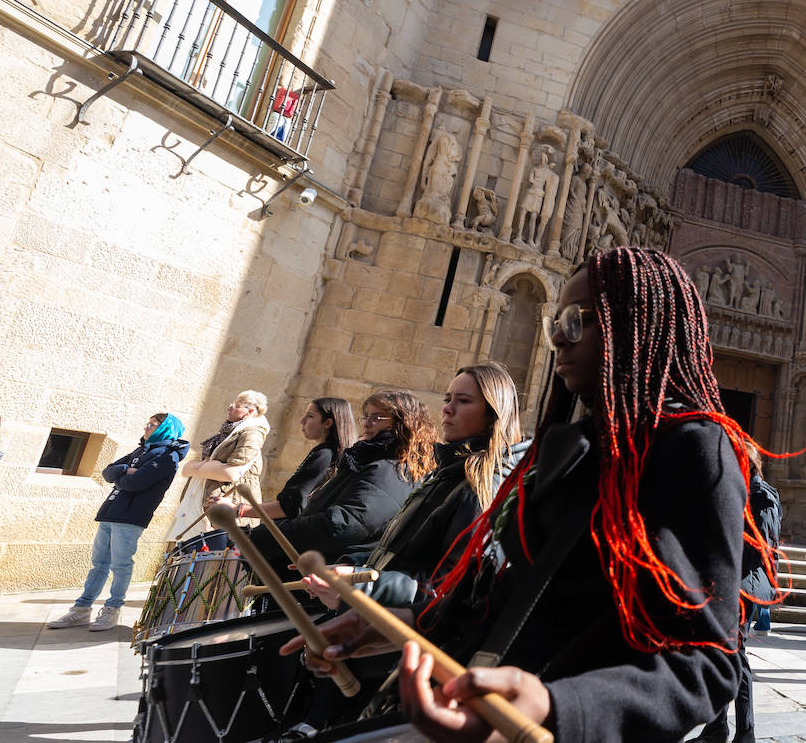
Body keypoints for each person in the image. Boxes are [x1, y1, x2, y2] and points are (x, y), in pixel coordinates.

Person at [286, 247, 768, 741]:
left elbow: (705, 665)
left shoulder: (691, 447)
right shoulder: (570, 448)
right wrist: (407, 624)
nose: (558, 336)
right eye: (556, 320)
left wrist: (555, 706)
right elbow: (516, 599)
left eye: (579, 320)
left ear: (639, 325)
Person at [301, 362, 529, 611]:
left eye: (463, 401)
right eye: (447, 398)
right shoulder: (448, 472)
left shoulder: (483, 485)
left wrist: (361, 587)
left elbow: (451, 587)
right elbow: (401, 556)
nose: (447, 409)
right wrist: (351, 569)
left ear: (493, 413)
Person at [246, 390, 437, 568]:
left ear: (402, 423)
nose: (367, 423)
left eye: (377, 417)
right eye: (367, 416)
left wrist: (264, 535)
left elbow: (343, 524)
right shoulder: (374, 461)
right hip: (321, 568)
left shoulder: (390, 468)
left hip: (330, 578)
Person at [48, 413, 188, 631]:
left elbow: (136, 483)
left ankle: (112, 610)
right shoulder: (141, 450)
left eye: (152, 425)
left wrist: (124, 476)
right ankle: (81, 610)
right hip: (111, 511)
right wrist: (125, 470)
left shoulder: (167, 456)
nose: (146, 427)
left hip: (131, 516)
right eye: (147, 423)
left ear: (165, 428)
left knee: (120, 564)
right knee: (99, 564)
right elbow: (107, 471)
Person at [694, 442, 782, 743]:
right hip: (723, 583)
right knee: (721, 652)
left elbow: (760, 549)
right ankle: (717, 727)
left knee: (736, 657)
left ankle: (746, 732)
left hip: (745, 584)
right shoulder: (732, 488)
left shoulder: (762, 496)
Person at [167, 390, 270, 540]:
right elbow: (187, 468)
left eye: (235, 406)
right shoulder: (229, 432)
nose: (229, 408)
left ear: (250, 411)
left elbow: (230, 474)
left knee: (214, 556)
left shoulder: (252, 434)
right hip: (206, 501)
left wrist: (199, 467)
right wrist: (209, 467)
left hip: (228, 503)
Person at [240, 398, 359, 521]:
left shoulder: (325, 456)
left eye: (310, 416)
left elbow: (290, 507)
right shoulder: (330, 454)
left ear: (328, 423)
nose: (302, 421)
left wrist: (239, 509)